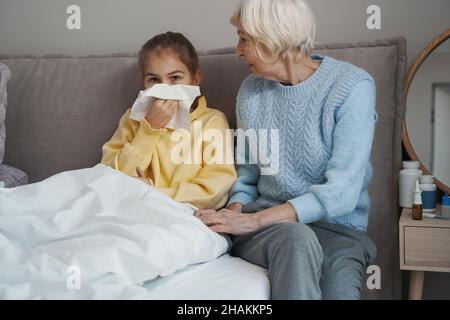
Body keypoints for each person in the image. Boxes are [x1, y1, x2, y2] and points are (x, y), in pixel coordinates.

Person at [194, 0, 377, 299]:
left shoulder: (352, 87)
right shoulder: (251, 92)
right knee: (296, 236)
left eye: (244, 39)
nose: (237, 50)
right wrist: (234, 212)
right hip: (271, 232)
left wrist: (252, 220)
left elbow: (342, 191)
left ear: (272, 37)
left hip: (338, 233)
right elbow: (248, 177)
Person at [101, 32, 236, 210]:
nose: (164, 88)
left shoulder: (212, 121)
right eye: (154, 80)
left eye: (175, 78)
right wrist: (149, 129)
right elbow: (110, 178)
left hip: (185, 216)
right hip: (131, 209)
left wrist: (154, 193)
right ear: (144, 82)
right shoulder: (132, 118)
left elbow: (215, 190)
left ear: (195, 79)